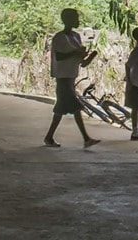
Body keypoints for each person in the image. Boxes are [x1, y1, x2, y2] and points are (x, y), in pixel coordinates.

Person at [43, 8, 100, 149]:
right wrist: (76, 52)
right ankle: (86, 138)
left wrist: (90, 56)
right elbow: (60, 57)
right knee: (74, 106)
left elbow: (82, 62)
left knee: (61, 109)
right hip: (62, 77)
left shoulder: (76, 36)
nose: (78, 20)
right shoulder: (59, 37)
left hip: (71, 76)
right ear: (67, 20)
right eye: (75, 18)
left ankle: (49, 137)